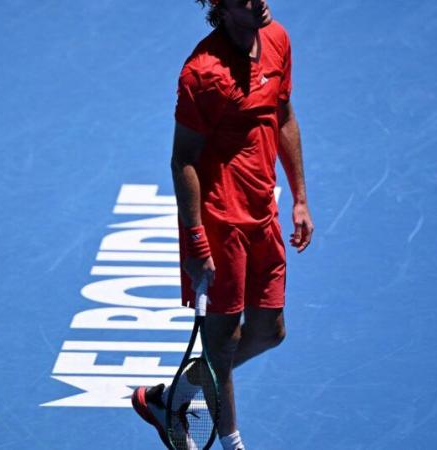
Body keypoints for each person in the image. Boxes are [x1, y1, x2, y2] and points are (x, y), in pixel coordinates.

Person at [132, 1, 313, 448]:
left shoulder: (278, 39)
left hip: (263, 212)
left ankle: (171, 398)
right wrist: (195, 240)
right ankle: (232, 443)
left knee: (270, 332)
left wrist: (300, 198)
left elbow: (284, 115)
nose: (260, 1)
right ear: (223, 5)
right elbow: (183, 159)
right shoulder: (202, 72)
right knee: (224, 340)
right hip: (219, 223)